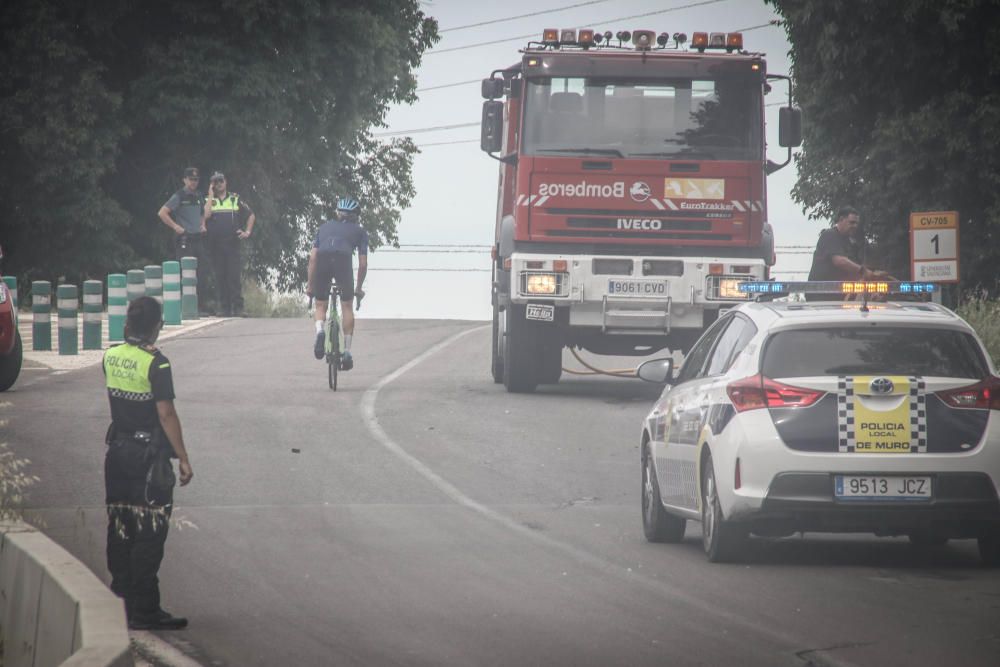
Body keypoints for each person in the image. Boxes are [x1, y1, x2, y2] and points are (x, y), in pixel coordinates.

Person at [102, 296, 193, 630]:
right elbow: (165, 413)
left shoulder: (110, 356)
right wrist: (182, 457)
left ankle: (120, 601)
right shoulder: (158, 363)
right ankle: (145, 609)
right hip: (147, 460)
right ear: (156, 327)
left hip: (117, 454)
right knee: (150, 532)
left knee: (120, 524)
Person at [306, 197, 368, 370]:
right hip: (343, 260)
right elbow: (363, 264)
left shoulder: (323, 228)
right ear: (355, 216)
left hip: (323, 259)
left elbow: (312, 259)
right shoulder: (360, 232)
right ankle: (347, 352)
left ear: (338, 213)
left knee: (320, 305)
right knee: (346, 305)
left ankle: (320, 331)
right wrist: (358, 289)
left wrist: (310, 286)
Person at [158, 167, 210, 314]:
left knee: (202, 272)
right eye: (191, 179)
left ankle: (200, 307)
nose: (194, 182)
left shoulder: (199, 196)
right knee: (186, 273)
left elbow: (202, 214)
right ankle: (185, 307)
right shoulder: (179, 195)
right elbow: (162, 213)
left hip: (198, 238)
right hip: (185, 239)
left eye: (196, 179)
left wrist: (202, 225)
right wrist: (175, 226)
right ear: (185, 180)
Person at [807, 206, 889, 299]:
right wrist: (864, 271)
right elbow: (840, 261)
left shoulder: (849, 243)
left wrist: (873, 278)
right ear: (841, 219)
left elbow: (854, 268)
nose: (855, 226)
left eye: (856, 224)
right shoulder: (829, 235)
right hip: (820, 296)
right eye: (852, 222)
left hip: (840, 296)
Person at [203, 172, 255, 317]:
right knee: (220, 276)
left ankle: (238, 308)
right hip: (214, 244)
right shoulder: (208, 200)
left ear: (226, 182)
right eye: (215, 182)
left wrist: (247, 231)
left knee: (233, 277)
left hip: (232, 243)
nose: (218, 184)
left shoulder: (235, 198)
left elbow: (251, 214)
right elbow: (205, 216)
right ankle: (224, 308)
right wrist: (210, 193)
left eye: (221, 181)